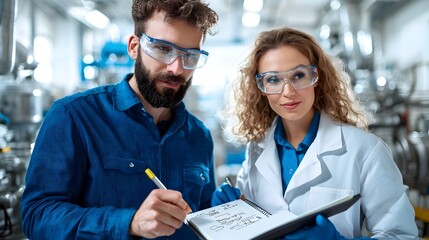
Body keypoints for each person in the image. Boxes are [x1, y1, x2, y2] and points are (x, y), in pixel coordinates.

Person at [20, 0, 218, 239]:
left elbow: (204, 220)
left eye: (190, 56)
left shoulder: (199, 136)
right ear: (134, 47)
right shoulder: (74, 116)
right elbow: (37, 216)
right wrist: (129, 222)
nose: (176, 68)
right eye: (163, 49)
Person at [212, 27, 419, 239]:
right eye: (273, 79)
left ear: (317, 77)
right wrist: (232, 212)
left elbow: (402, 235)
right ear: (260, 87)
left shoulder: (364, 150)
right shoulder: (256, 150)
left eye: (299, 75)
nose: (288, 92)